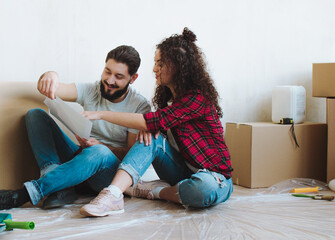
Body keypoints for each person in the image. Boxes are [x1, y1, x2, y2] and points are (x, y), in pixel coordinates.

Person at [0, 45, 151, 212]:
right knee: (35, 115)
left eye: (118, 77)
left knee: (99, 152)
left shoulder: (139, 105)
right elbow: (52, 89)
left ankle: (24, 195)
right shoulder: (93, 89)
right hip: (81, 159)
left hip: (106, 175)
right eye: (107, 72)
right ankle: (59, 187)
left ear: (132, 78)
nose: (109, 80)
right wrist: (50, 74)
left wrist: (105, 147)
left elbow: (132, 157)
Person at [79, 28, 234, 217]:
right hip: (182, 174)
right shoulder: (168, 101)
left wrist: (101, 114)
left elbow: (152, 121)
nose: (154, 69)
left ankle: (156, 192)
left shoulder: (197, 99)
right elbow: (153, 125)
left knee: (204, 188)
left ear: (179, 66)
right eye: (155, 63)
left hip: (214, 178)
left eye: (160, 64)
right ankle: (113, 194)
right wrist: (152, 131)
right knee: (150, 136)